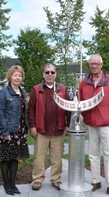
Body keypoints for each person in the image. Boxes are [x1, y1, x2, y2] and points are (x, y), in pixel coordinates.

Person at [79, 54, 109, 197]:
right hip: (91, 124)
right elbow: (81, 102)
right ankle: (95, 181)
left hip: (107, 124)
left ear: (101, 65)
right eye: (91, 64)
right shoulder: (84, 83)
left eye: (96, 64)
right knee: (93, 155)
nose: (93, 66)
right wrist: (86, 117)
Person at [28, 63, 71, 191]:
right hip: (41, 131)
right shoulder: (36, 89)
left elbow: (69, 107)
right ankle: (37, 179)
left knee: (57, 159)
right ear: (43, 74)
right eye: (47, 72)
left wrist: (68, 125)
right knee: (39, 158)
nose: (50, 74)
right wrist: (32, 126)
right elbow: (31, 109)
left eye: (52, 72)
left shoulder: (62, 89)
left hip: (58, 130)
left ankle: (56, 180)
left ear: (56, 74)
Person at [0, 65, 30, 195]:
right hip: (8, 130)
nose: (17, 78)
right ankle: (6, 185)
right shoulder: (4, 92)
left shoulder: (22, 92)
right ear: (10, 76)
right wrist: (5, 132)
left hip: (19, 131)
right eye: (15, 75)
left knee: (14, 158)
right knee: (5, 159)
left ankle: (13, 184)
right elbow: (1, 113)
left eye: (19, 75)